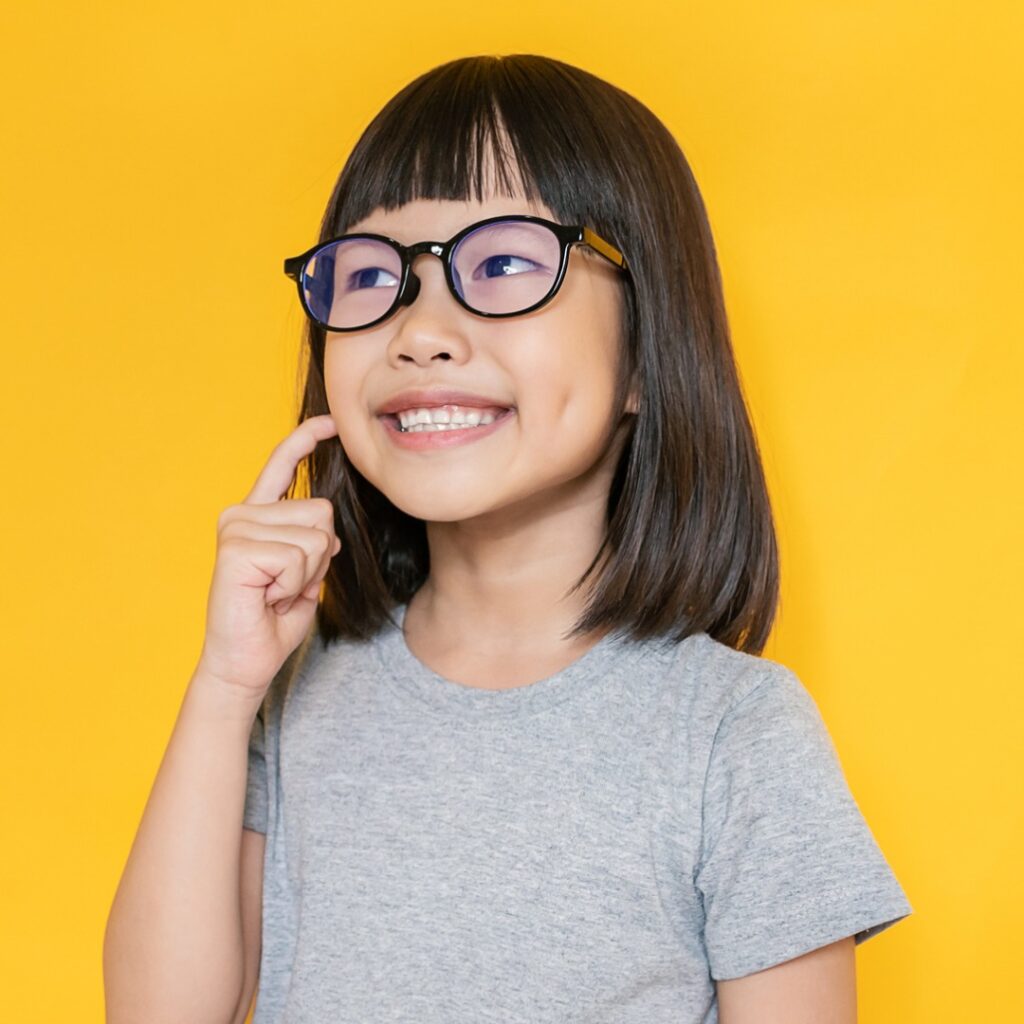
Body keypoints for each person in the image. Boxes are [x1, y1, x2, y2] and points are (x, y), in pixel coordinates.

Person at [103, 54, 913, 1024]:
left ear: (646, 358)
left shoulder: (733, 730)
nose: (420, 330)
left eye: (503, 264)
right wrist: (224, 689)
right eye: (370, 276)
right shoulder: (294, 696)